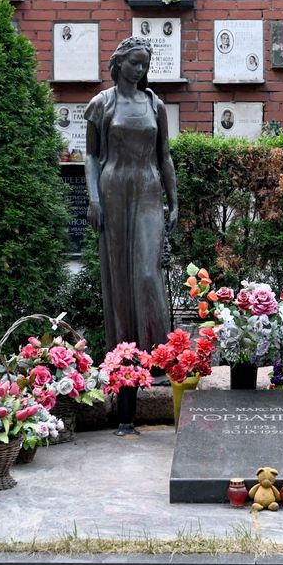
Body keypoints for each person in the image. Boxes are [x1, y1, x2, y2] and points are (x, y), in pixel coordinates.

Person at [84, 37, 178, 360]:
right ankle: (124, 359)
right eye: (135, 63)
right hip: (113, 191)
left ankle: (160, 357)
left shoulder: (155, 105)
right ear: (119, 62)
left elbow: (164, 156)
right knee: (119, 275)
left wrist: (174, 200)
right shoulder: (101, 104)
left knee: (148, 273)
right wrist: (93, 198)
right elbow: (91, 157)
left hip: (149, 190)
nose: (140, 70)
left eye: (144, 65)